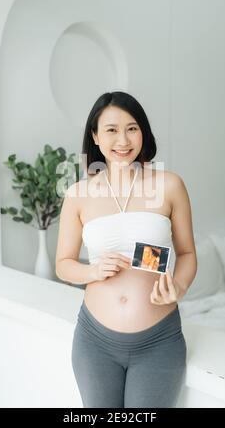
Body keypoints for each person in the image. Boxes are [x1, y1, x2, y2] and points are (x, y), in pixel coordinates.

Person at [56, 91, 197, 408]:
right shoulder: (78, 195)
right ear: (95, 136)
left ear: (143, 132)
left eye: (132, 128)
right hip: (95, 341)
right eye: (111, 130)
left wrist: (179, 286)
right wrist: (92, 270)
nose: (123, 139)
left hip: (159, 340)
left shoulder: (170, 185)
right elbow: (63, 264)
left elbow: (187, 254)